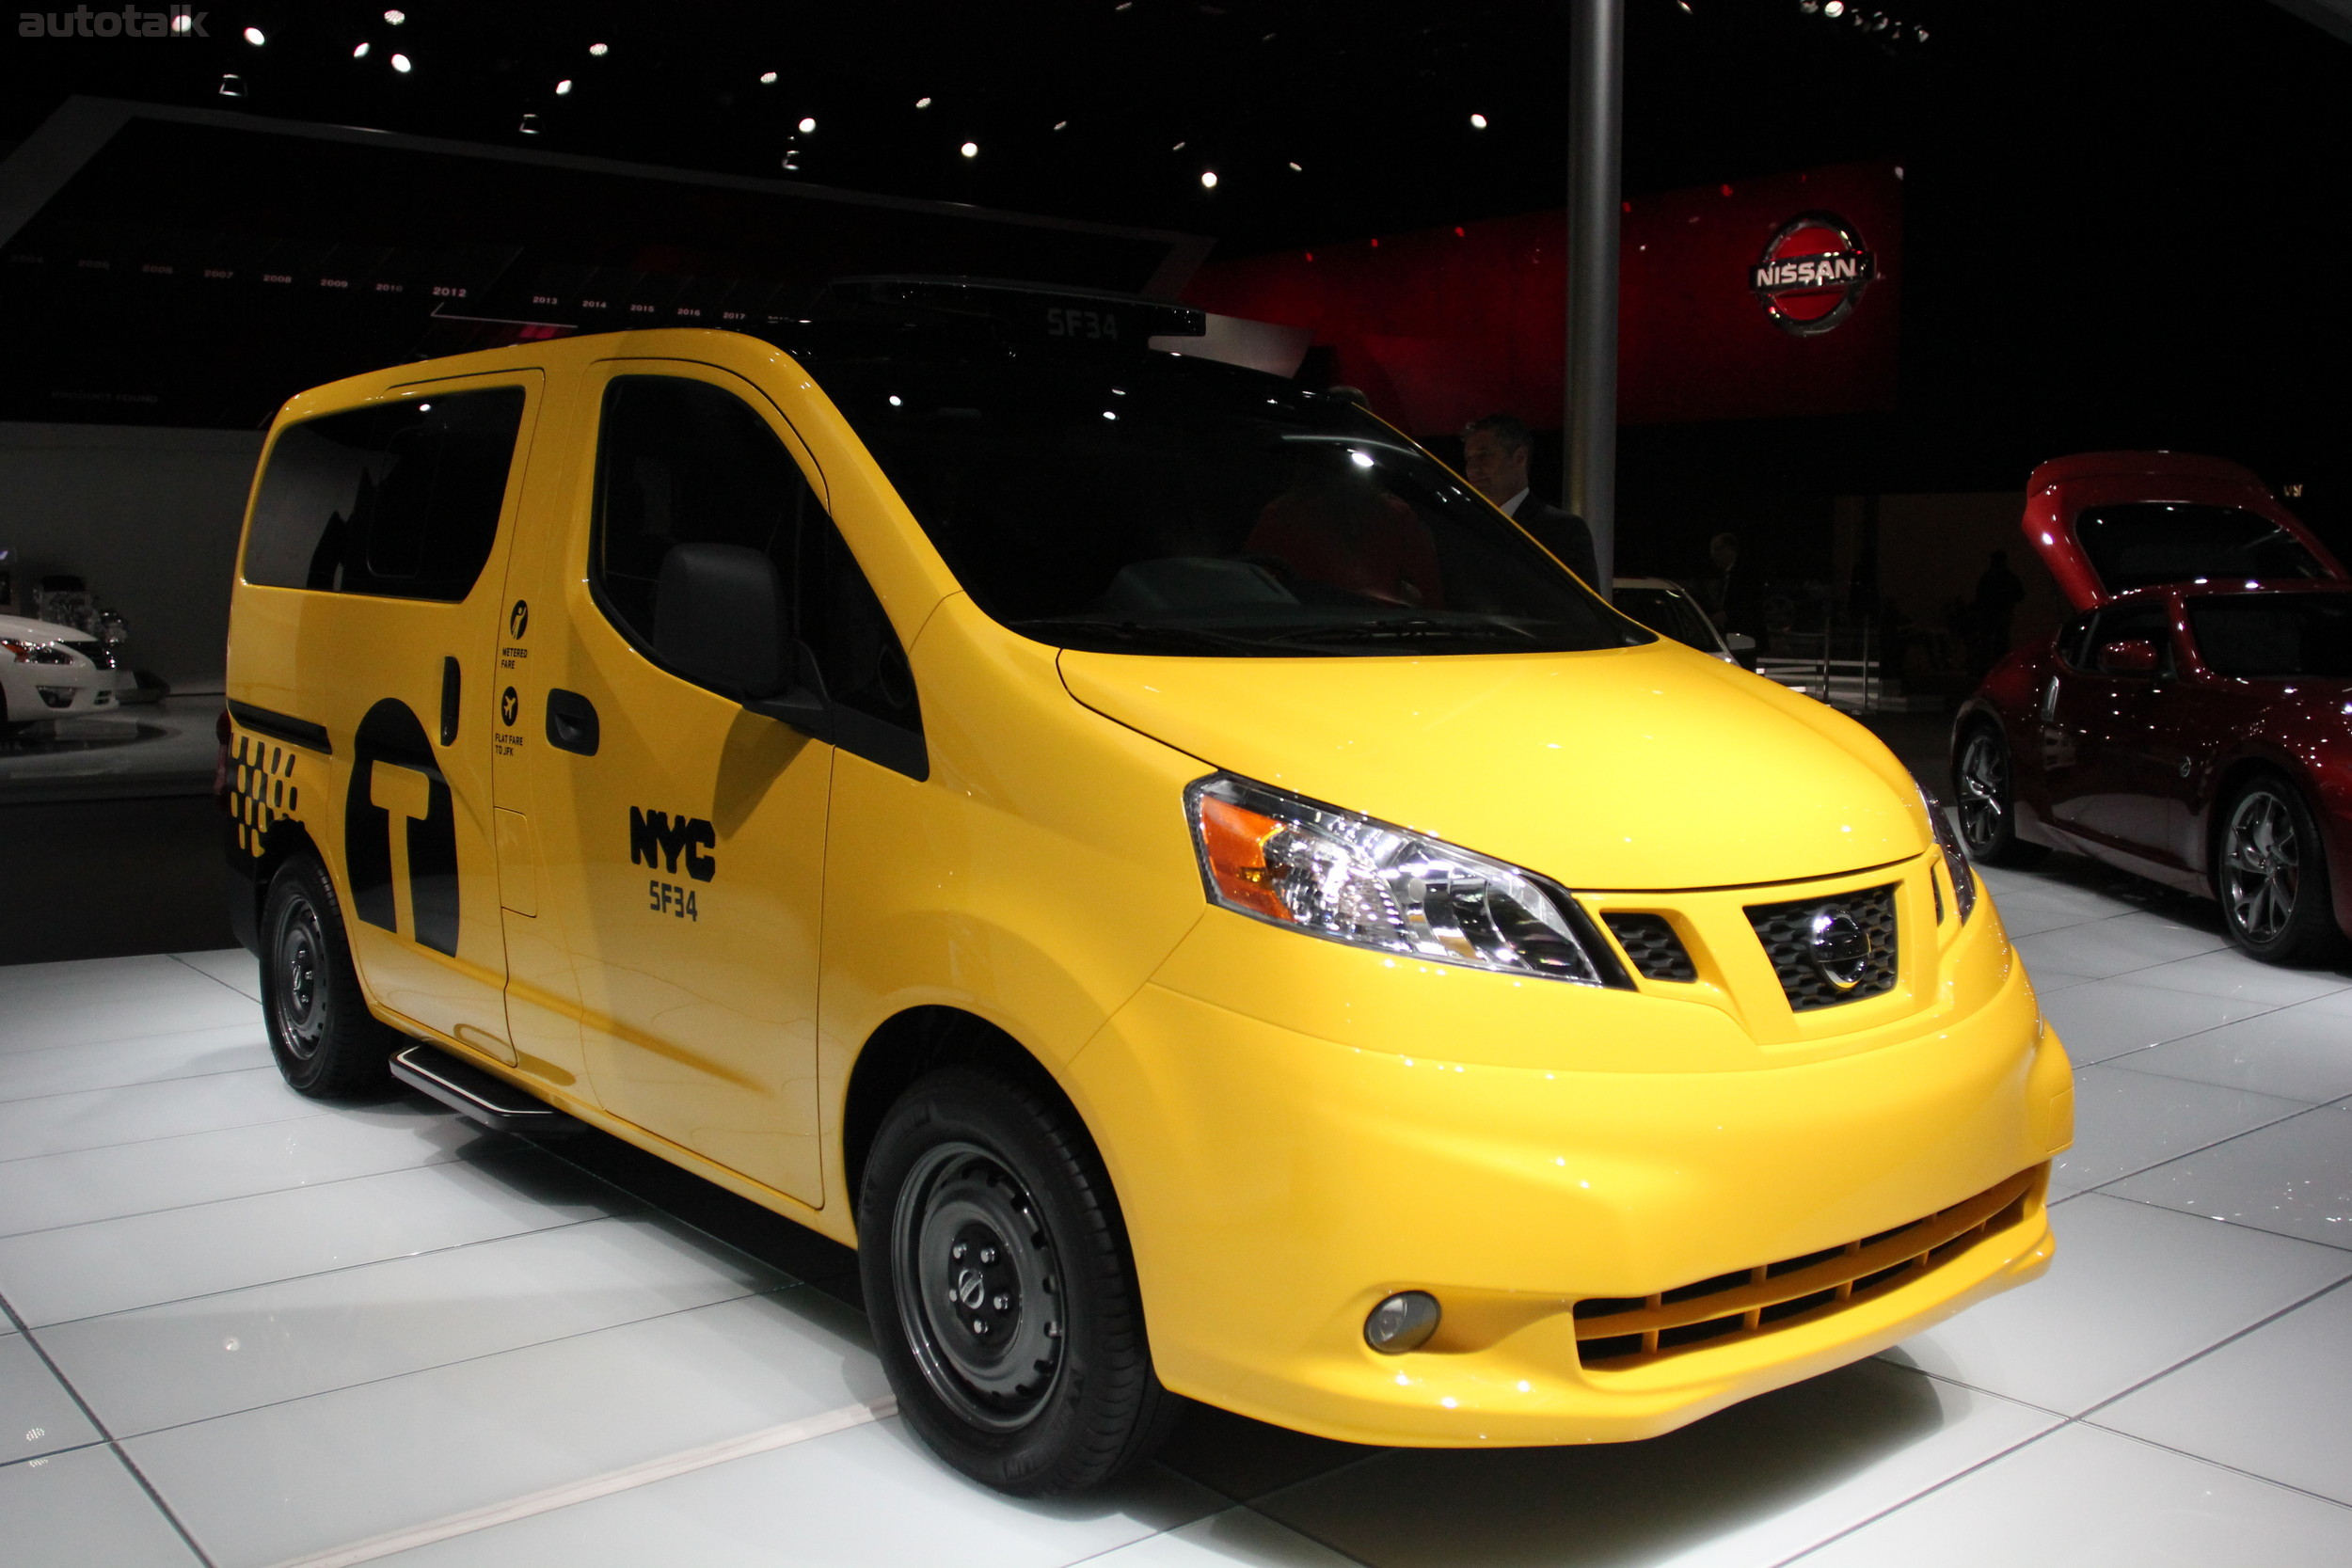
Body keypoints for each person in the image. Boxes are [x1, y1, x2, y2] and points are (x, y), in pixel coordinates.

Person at [1461, 413, 1597, 586]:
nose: (1472, 469)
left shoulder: (1563, 531)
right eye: (1469, 459)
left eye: (1484, 455)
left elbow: (1582, 609)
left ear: (1519, 457)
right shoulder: (1462, 527)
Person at [1968, 548, 2026, 677]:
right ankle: (1995, 668)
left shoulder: (1993, 577)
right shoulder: (2003, 577)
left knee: (1995, 641)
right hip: (1995, 614)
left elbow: (2019, 594)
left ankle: (1995, 668)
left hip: (1996, 614)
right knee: (1994, 641)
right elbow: (2020, 594)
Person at [1707, 531, 1764, 641]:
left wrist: (1727, 614)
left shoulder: (1746, 574)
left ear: (1730, 549)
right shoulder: (1726, 575)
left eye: (1717, 549)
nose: (1713, 554)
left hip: (1745, 637)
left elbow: (1750, 602)